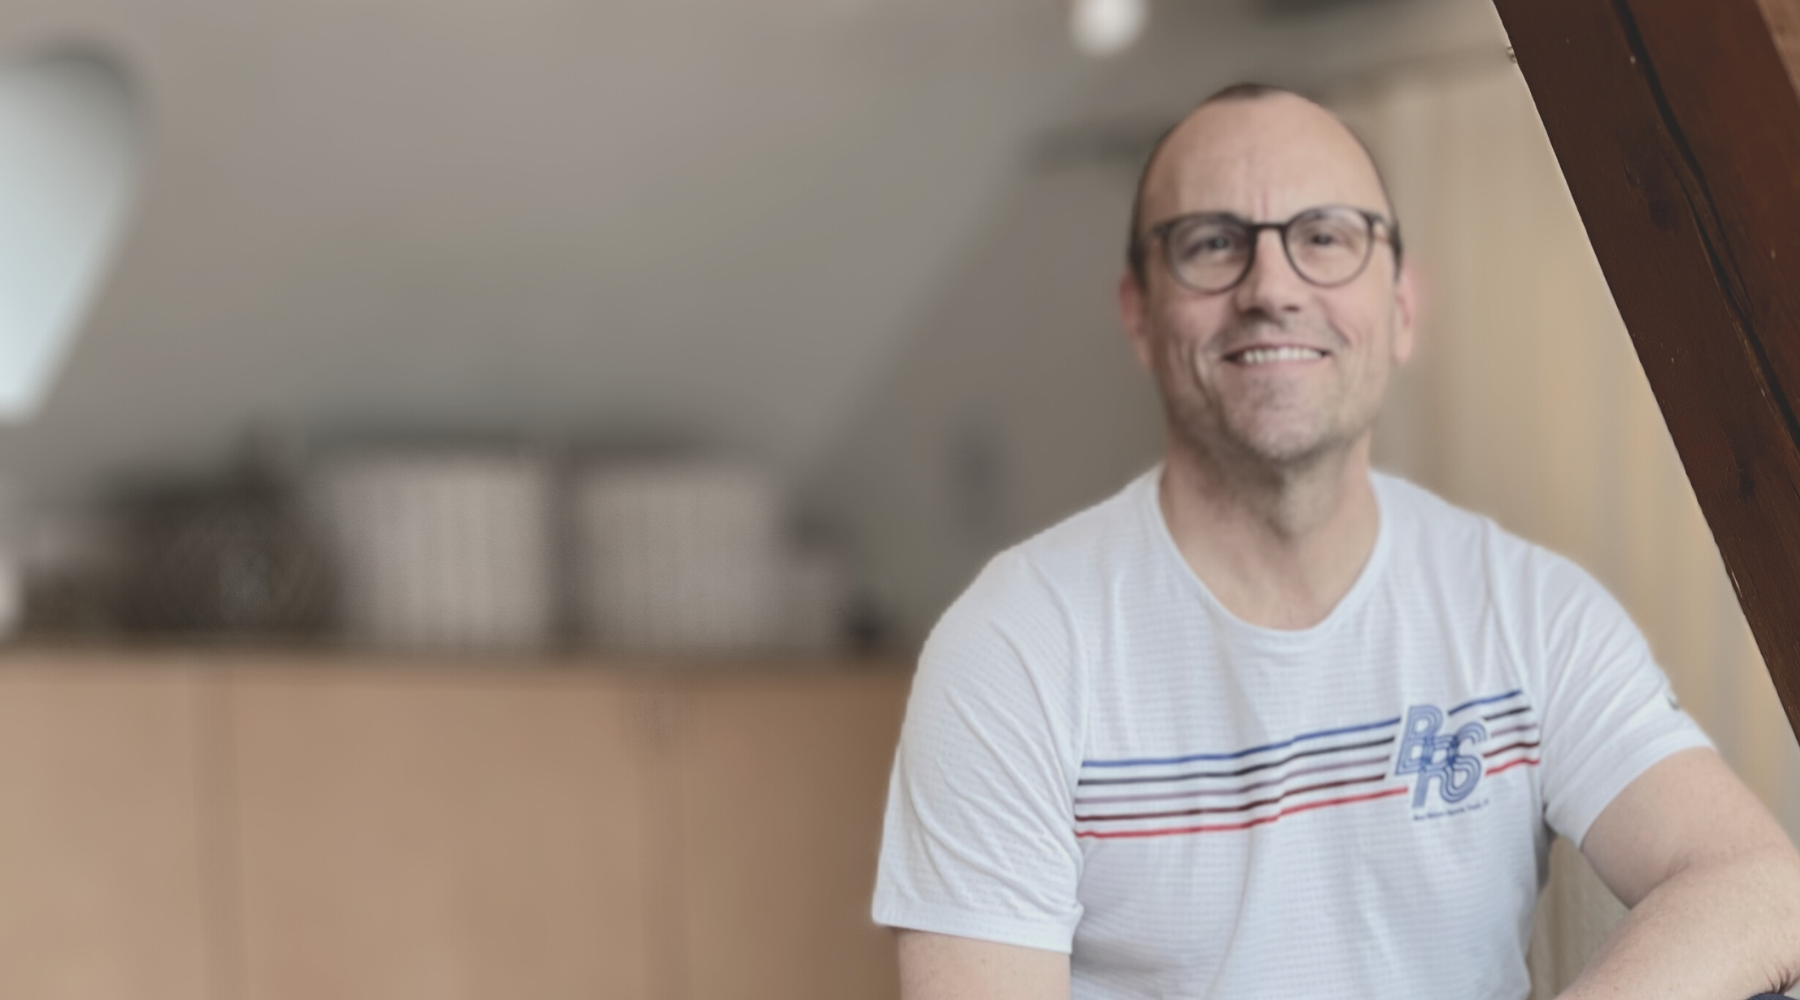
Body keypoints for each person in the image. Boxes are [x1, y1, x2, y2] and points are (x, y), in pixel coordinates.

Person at [869, 83, 1800, 1000]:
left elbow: (1761, 886)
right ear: (1140, 313)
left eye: (1324, 237)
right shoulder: (1013, 649)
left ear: (1401, 308)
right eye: (1212, 243)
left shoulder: (1526, 611)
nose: (1271, 288)